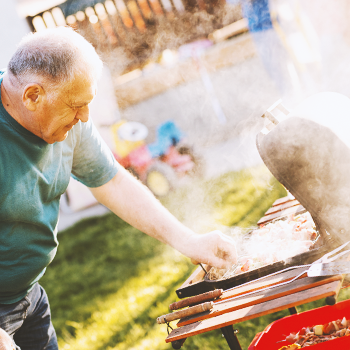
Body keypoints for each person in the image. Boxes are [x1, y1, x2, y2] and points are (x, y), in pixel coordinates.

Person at [0, 27, 237, 350]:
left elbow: (111, 180)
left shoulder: (69, 121)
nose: (84, 118)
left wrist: (189, 240)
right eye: (75, 106)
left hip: (28, 298)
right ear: (32, 96)